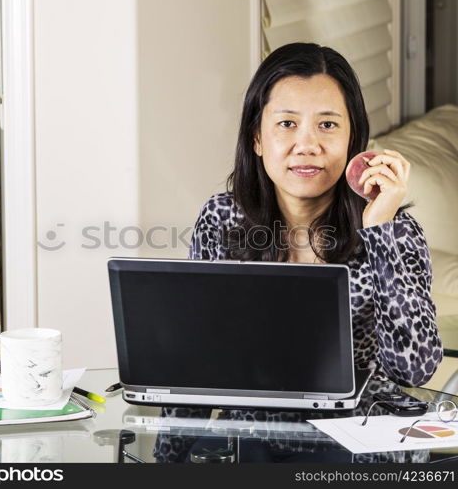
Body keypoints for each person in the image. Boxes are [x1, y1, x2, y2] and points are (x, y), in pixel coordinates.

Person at [189, 42, 442, 388]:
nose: (307, 145)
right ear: (257, 139)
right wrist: (162, 441)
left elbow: (413, 370)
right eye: (288, 123)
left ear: (353, 138)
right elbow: (194, 363)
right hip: (251, 434)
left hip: (362, 431)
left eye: (327, 125)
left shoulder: (395, 229)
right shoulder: (222, 218)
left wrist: (379, 232)